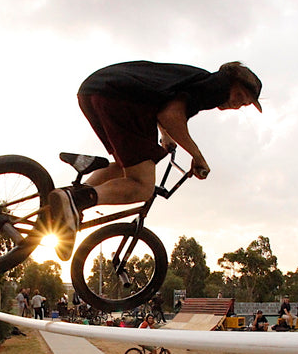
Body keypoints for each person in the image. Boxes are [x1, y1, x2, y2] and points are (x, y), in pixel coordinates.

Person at [48, 60, 263, 259]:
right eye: (240, 96)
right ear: (233, 81)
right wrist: (197, 156)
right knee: (142, 186)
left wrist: (166, 136)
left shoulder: (200, 79)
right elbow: (170, 115)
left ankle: (65, 205)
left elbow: (163, 102)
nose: (237, 104)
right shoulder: (217, 87)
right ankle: (75, 200)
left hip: (95, 90)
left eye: (243, 104)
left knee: (125, 167)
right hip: (120, 97)